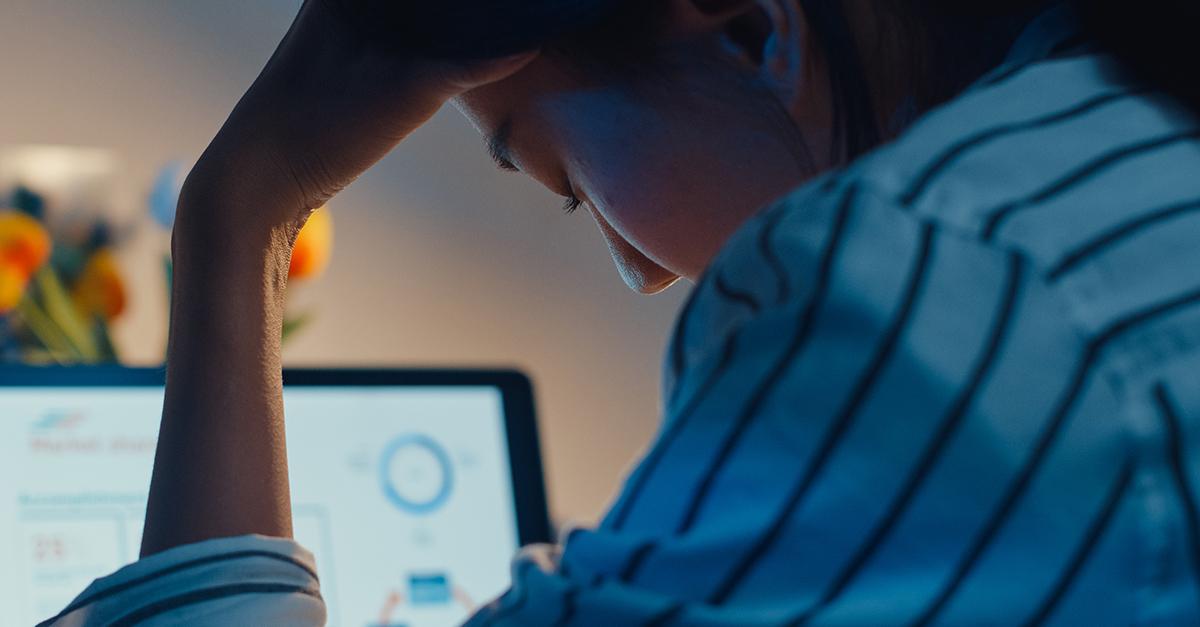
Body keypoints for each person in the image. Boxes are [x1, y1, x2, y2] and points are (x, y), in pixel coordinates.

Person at [43, 0, 1200, 624]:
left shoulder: (928, 280)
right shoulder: (1126, 146)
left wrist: (241, 209)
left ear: (754, 28)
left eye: (560, 183)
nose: (639, 274)